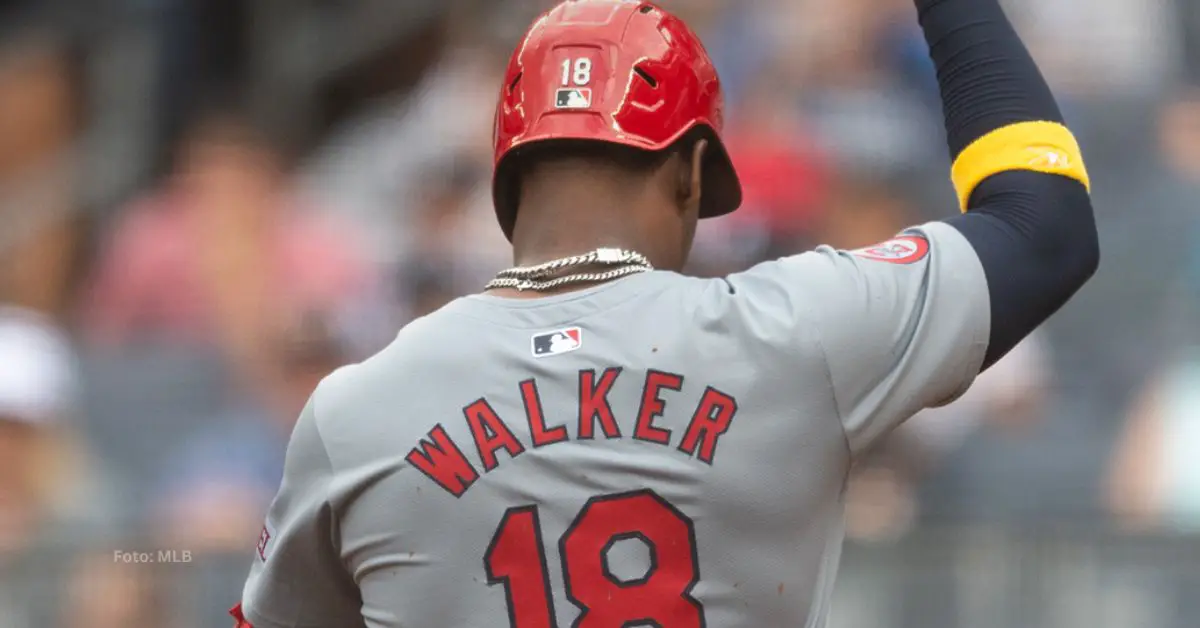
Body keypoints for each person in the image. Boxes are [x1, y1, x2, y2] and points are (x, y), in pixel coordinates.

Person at [232, 0, 1098, 626]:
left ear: (508, 187)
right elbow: (1046, 224)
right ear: (688, 174)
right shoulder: (791, 332)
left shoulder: (355, 411)